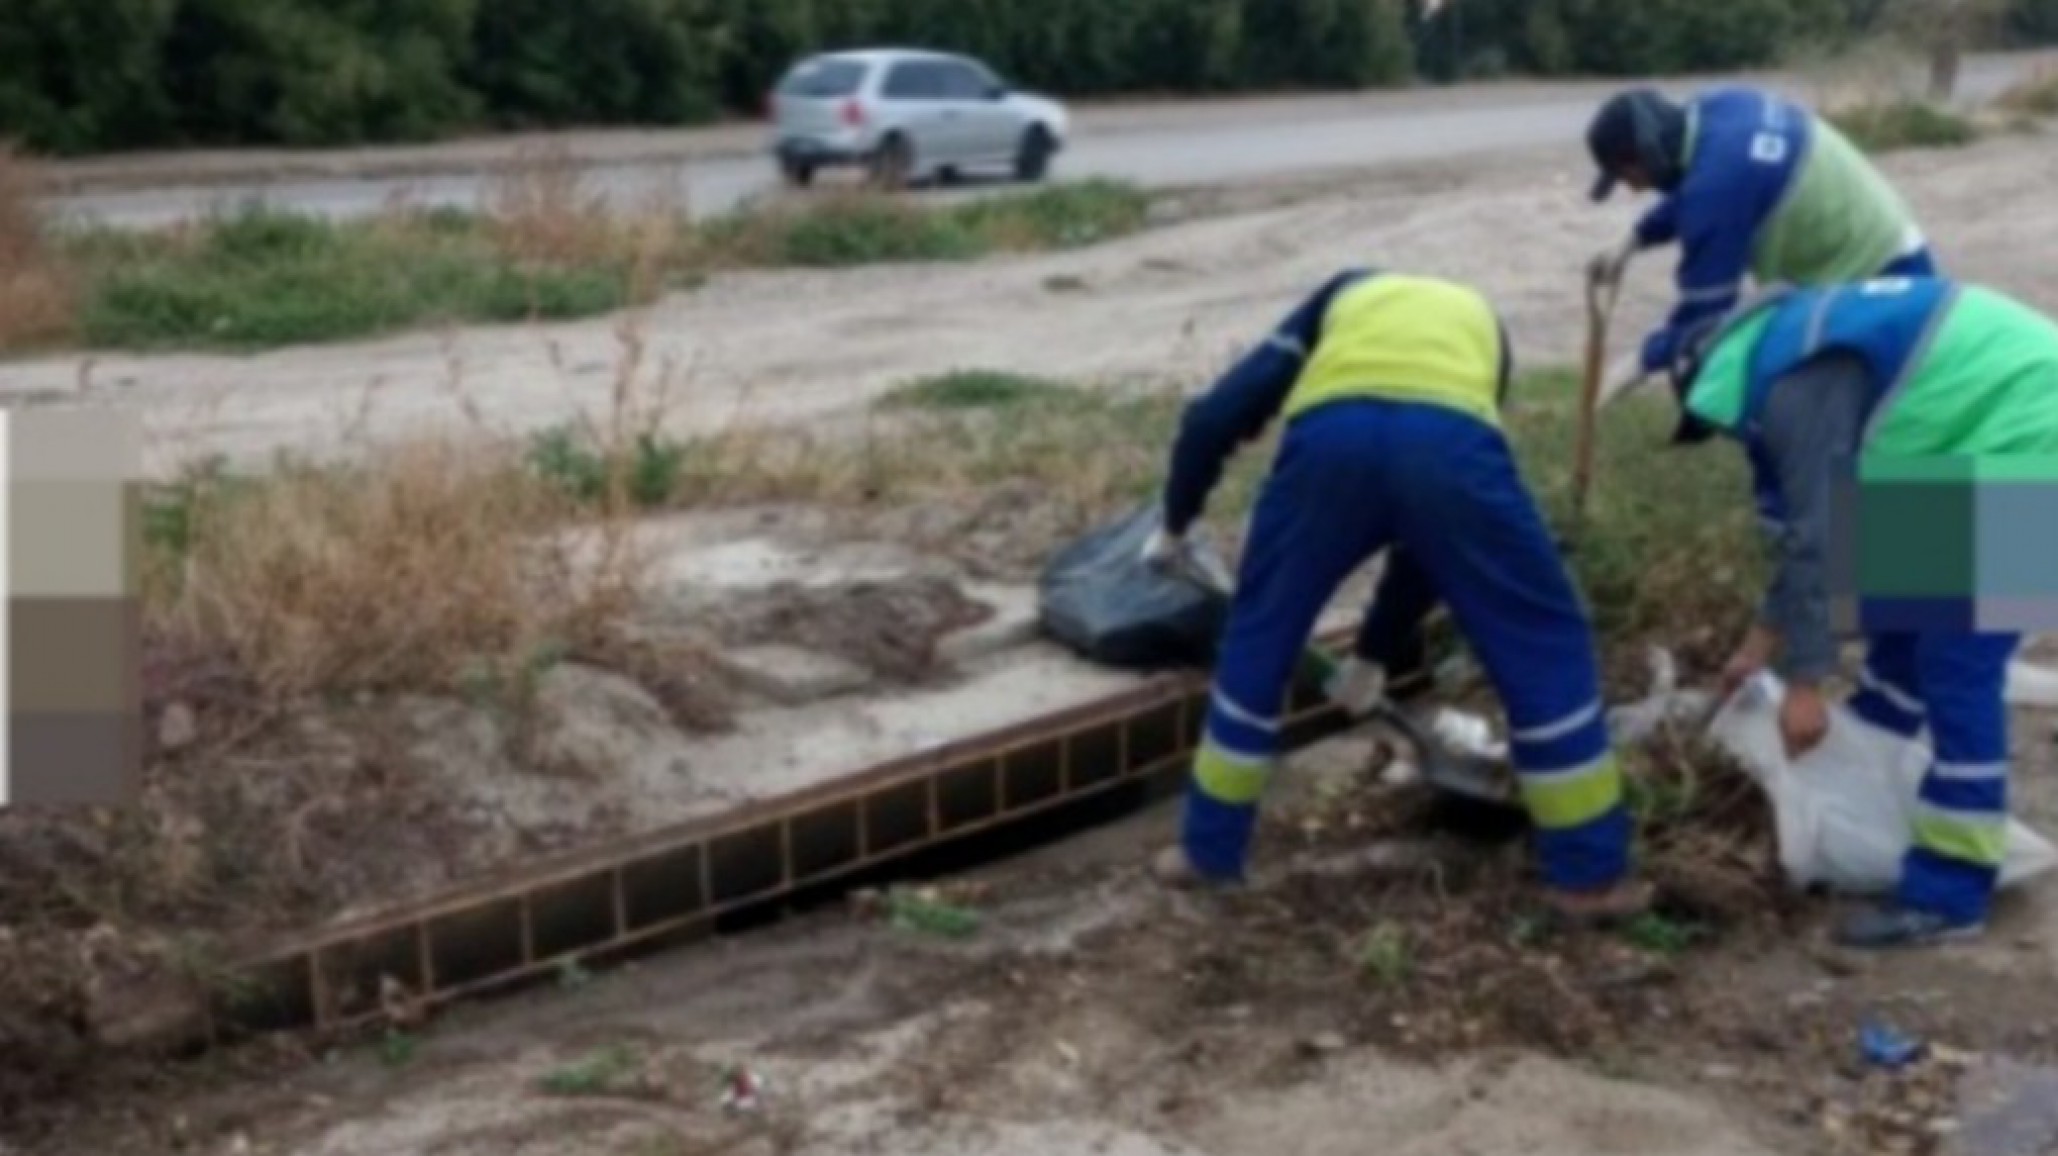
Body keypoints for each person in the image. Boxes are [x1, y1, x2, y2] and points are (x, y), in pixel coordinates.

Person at [1141, 266, 1650, 921]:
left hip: (1330, 447)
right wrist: (1375, 653)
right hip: (1450, 448)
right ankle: (1587, 877)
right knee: (1543, 640)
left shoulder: (1338, 297)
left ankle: (1207, 856)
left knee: (1259, 636)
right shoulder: (1483, 329)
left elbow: (1213, 417)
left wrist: (1176, 521)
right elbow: (1429, 547)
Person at [1670, 275, 2058, 948]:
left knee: (1955, 662)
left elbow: (1815, 538)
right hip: (1989, 437)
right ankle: (1872, 766)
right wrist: (1757, 648)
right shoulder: (1795, 351)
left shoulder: (1794, 389)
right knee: (1898, 614)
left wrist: (1804, 687)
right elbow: (1804, 543)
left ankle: (1951, 890)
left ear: (1713, 392)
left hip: (2034, 441)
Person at [1583, 85, 1939, 534]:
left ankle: (1788, 535)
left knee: (1776, 401)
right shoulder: (1717, 110)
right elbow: (1699, 186)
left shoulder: (1716, 191)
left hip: (1876, 281)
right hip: (1892, 248)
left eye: (1630, 175)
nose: (1636, 189)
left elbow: (1704, 325)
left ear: (1650, 153)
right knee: (1875, 422)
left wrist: (1641, 361)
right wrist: (1633, 240)